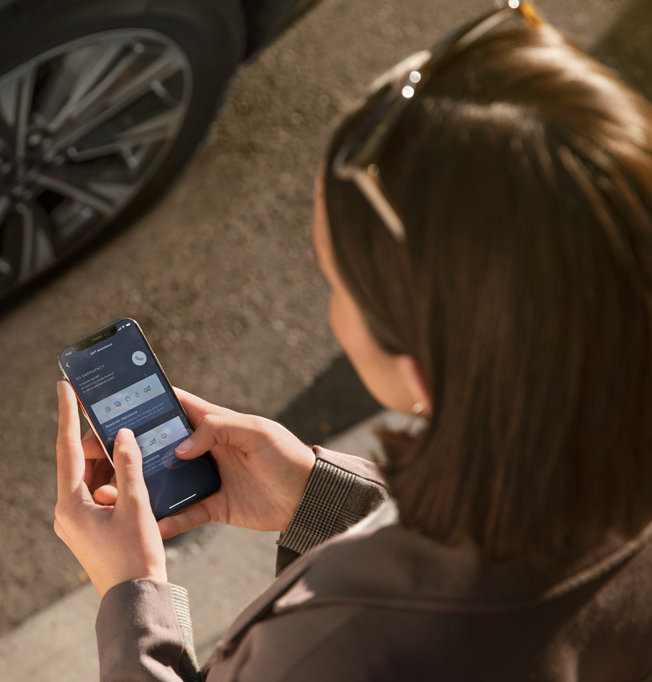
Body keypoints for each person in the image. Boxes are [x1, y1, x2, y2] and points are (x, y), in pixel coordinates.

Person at [52, 2, 652, 679]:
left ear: (426, 371)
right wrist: (321, 499)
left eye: (337, 285)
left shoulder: (334, 650)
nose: (334, 312)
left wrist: (133, 598)